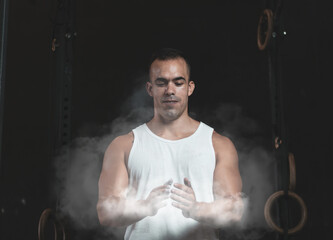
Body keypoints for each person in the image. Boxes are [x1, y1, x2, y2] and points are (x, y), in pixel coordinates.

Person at [97, 48, 244, 240]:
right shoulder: (125, 145)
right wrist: (144, 207)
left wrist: (195, 209)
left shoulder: (218, 144)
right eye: (162, 83)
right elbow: (106, 213)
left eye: (178, 82)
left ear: (190, 88)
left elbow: (233, 211)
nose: (170, 90)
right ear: (150, 89)